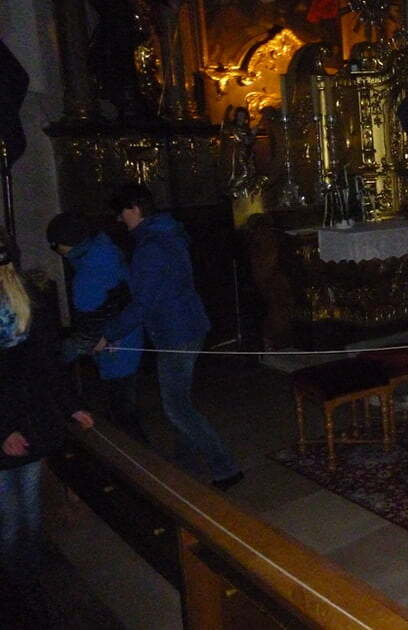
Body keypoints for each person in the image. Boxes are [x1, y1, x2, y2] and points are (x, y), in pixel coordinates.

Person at [96, 184, 244, 490]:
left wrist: (109, 334)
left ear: (134, 209)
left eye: (121, 212)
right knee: (180, 401)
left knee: (176, 406)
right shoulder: (165, 233)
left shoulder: (151, 245)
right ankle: (185, 463)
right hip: (186, 324)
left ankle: (226, 468)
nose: (119, 219)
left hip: (177, 332)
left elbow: (143, 303)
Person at [1, 232, 93, 625]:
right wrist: (4, 429)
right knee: (11, 522)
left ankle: (31, 591)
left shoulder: (27, 301)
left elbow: (47, 363)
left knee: (29, 515)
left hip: (31, 421)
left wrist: (73, 405)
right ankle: (18, 597)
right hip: (8, 426)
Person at [46, 212, 146, 443]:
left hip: (115, 345)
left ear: (66, 244)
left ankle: (143, 459)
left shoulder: (91, 270)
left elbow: (92, 319)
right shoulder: (102, 250)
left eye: (55, 246)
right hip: (123, 336)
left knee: (123, 413)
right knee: (122, 409)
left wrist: (66, 353)